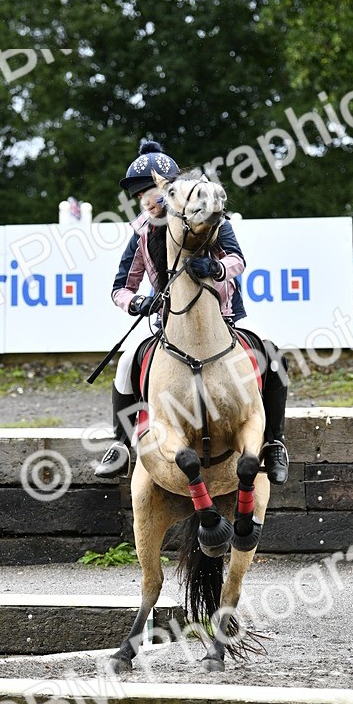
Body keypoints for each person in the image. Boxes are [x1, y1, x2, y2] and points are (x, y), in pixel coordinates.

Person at [94, 139, 289, 484]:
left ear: (169, 191)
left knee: (272, 355)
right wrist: (137, 303)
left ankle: (274, 441)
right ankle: (120, 444)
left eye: (151, 193)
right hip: (170, 323)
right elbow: (120, 289)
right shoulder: (141, 232)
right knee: (126, 362)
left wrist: (215, 270)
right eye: (140, 196)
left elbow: (237, 260)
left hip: (224, 317)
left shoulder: (208, 218)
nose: (146, 202)